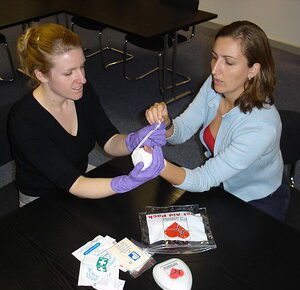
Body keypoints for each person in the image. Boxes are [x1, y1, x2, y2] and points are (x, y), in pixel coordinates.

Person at [8, 23, 166, 207]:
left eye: (81, 66)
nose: (82, 79)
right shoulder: (24, 120)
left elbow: (109, 140)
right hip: (42, 199)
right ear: (41, 75)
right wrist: (126, 183)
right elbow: (75, 184)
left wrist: (136, 139)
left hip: (81, 178)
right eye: (69, 73)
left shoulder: (80, 91)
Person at [145, 21, 289, 221]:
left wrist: (156, 165)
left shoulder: (262, 126)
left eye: (228, 62)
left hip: (257, 198)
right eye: (214, 57)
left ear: (253, 70)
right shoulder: (216, 85)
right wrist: (167, 123)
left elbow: (204, 178)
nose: (215, 70)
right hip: (221, 180)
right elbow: (183, 130)